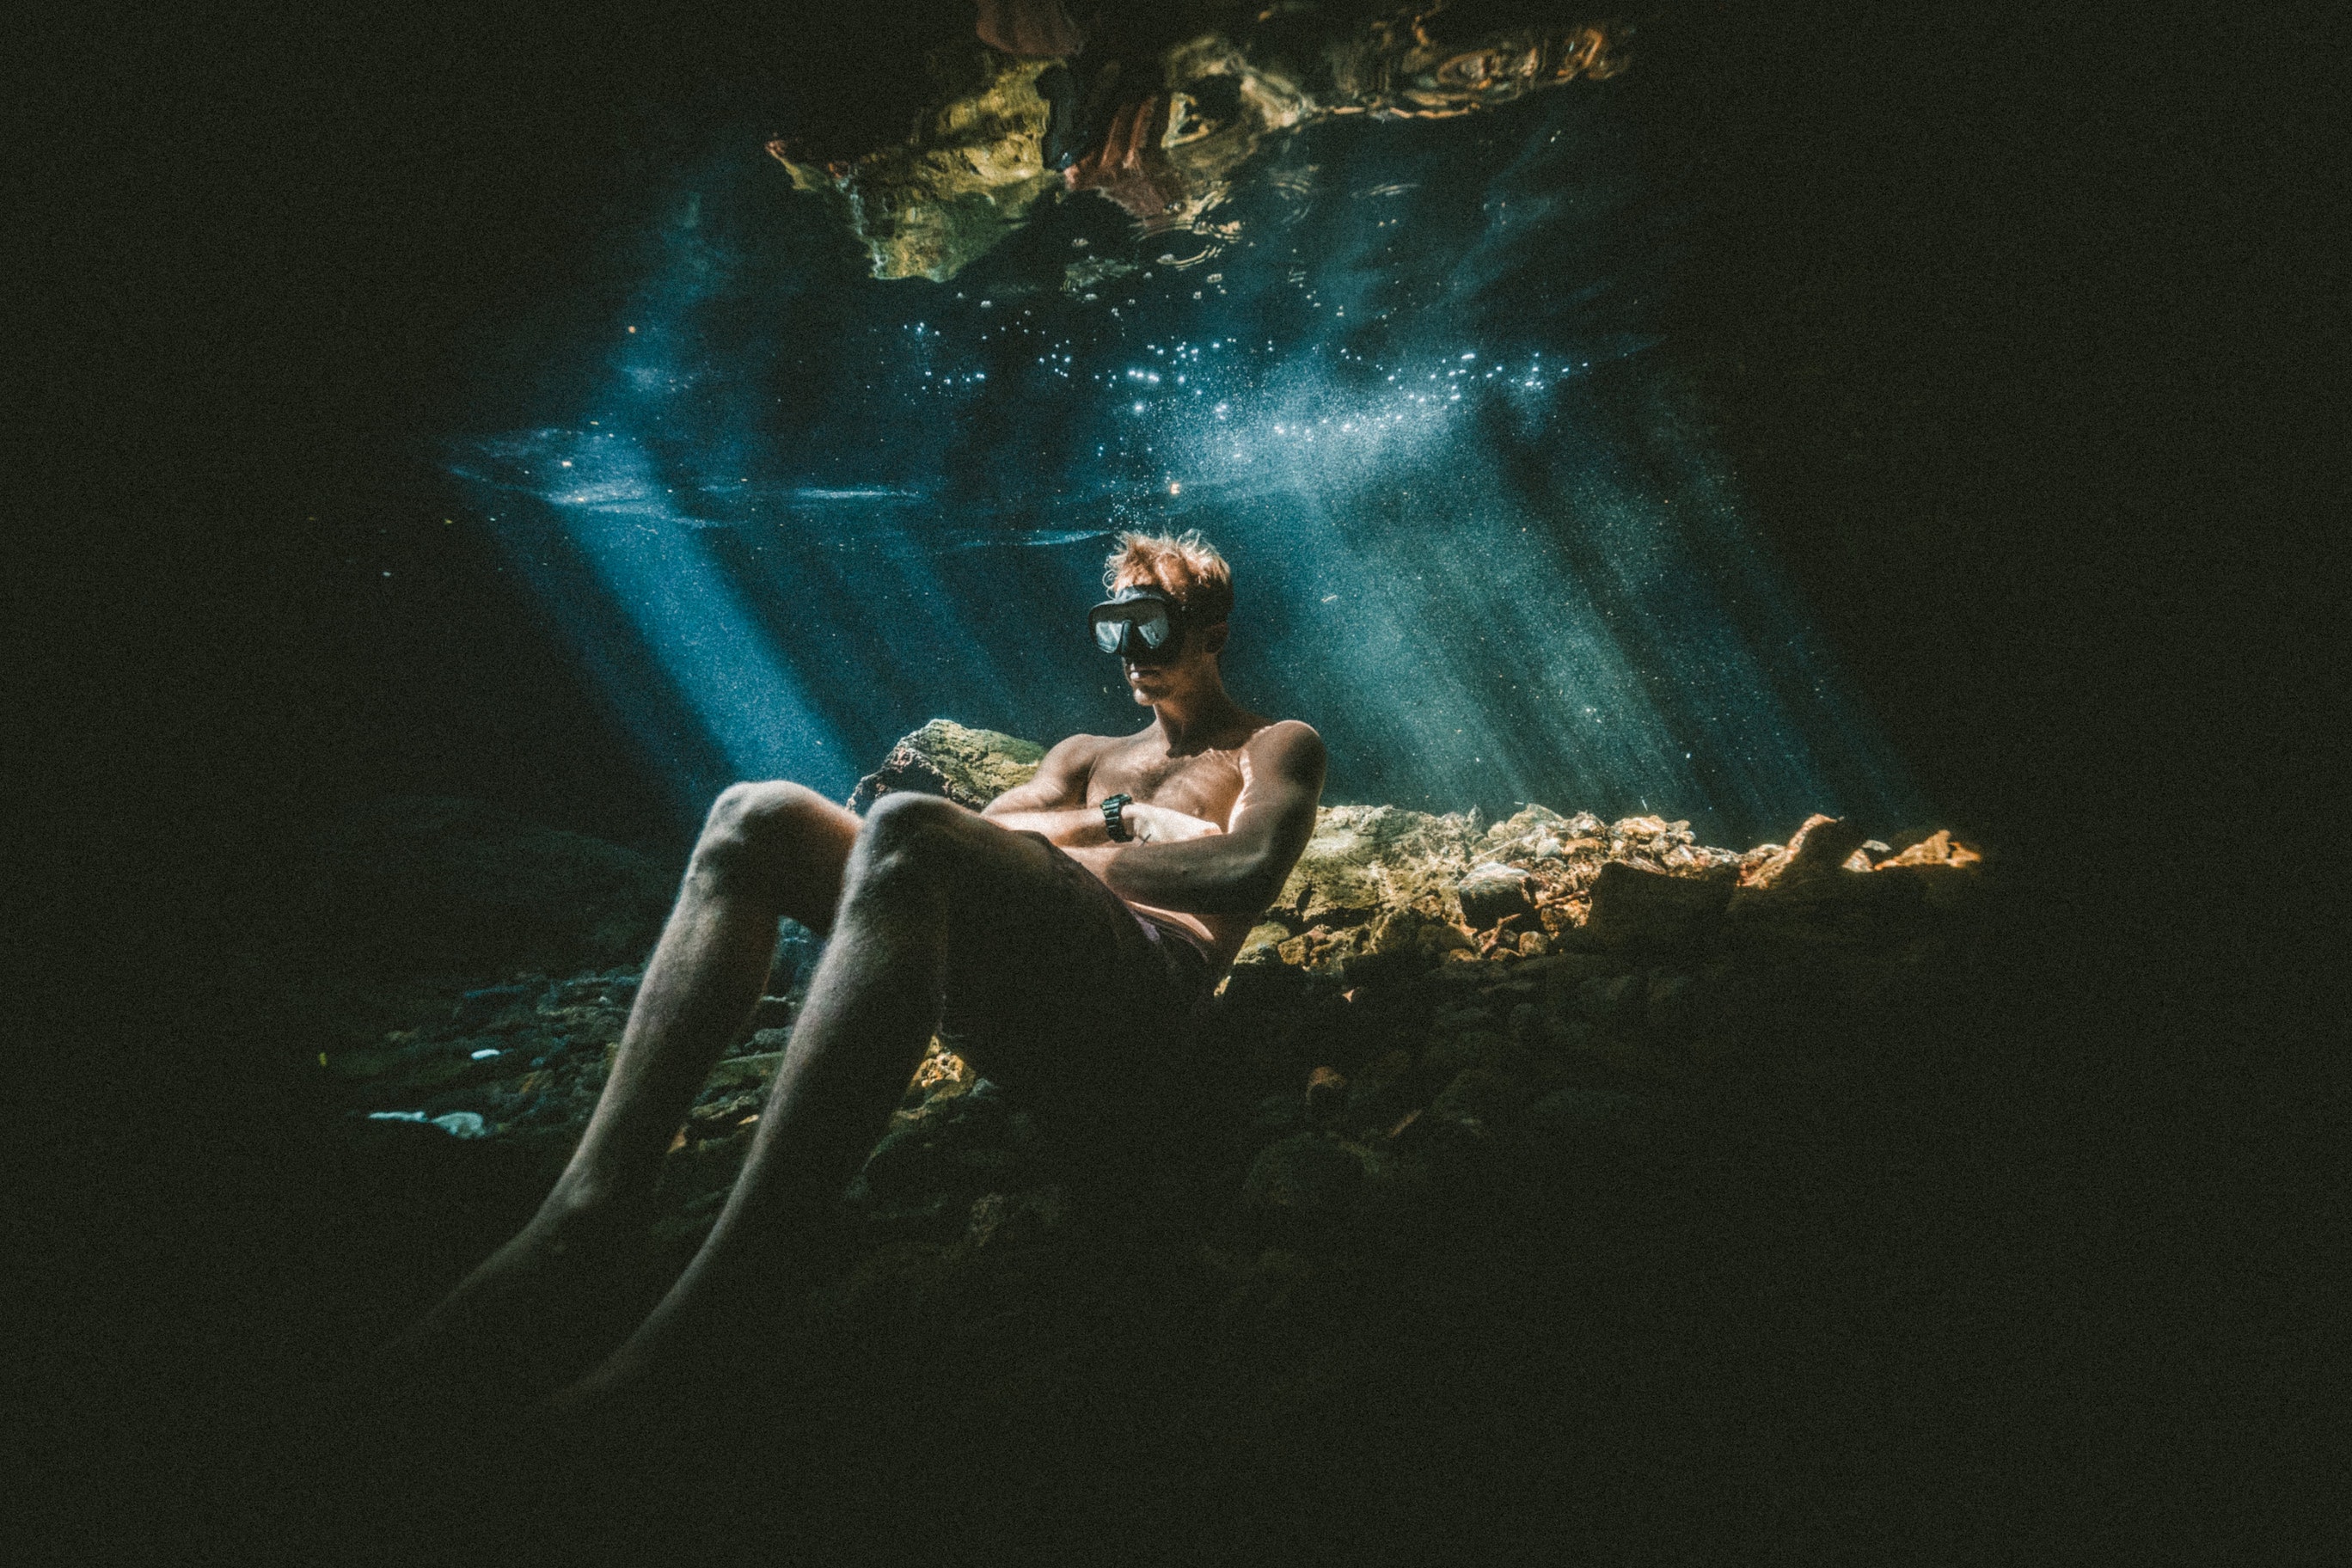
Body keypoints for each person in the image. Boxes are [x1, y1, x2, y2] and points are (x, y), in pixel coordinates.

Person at [383, 529, 1326, 1413]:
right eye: (1111, 626)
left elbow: (1241, 868)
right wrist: (1117, 825)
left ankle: (730, 1294)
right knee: (751, 815)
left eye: (1150, 625)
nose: (1128, 649)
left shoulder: (1273, 744)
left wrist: (1049, 854)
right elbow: (988, 835)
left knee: (911, 830)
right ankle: (591, 1203)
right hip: (1004, 955)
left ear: (1213, 633)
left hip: (1138, 994)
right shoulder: (1086, 757)